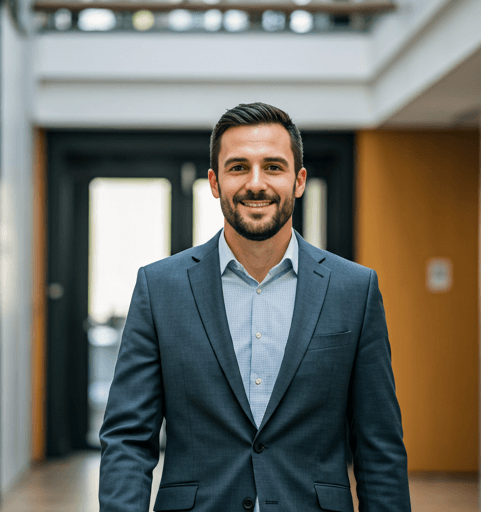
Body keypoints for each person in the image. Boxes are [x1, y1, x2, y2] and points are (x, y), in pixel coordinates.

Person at [99, 102, 412, 512]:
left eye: (274, 167)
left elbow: (379, 447)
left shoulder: (355, 289)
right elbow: (127, 439)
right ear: (214, 182)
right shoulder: (160, 288)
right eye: (238, 167)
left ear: (299, 181)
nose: (256, 183)